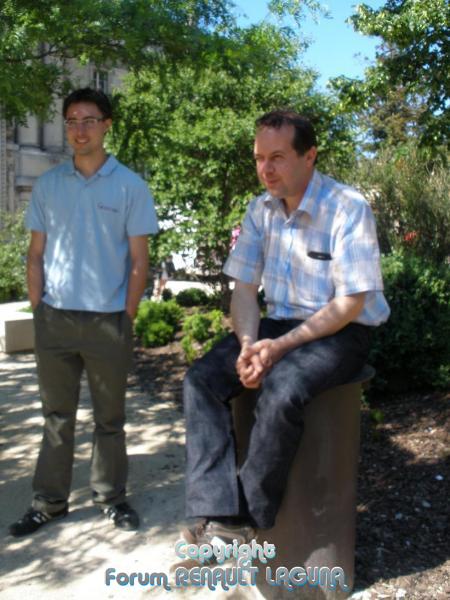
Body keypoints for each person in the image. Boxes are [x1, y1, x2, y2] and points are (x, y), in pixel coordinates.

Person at [181, 110, 390, 551]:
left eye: (277, 157)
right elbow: (243, 290)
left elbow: (350, 302)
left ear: (309, 155)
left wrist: (279, 348)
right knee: (202, 380)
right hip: (276, 325)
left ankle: (246, 519)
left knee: (284, 384)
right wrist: (248, 344)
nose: (266, 170)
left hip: (342, 328)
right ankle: (215, 511)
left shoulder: (347, 207)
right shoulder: (260, 209)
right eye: (259, 158)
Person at [9, 88, 159, 537]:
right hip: (54, 319)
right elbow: (35, 254)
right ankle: (49, 502)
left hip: (107, 321)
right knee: (56, 417)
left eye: (89, 120)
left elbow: (140, 261)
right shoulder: (50, 184)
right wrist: (39, 309)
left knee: (109, 419)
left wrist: (125, 316)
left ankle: (111, 498)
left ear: (107, 124)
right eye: (71, 120)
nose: (79, 129)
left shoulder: (130, 185)